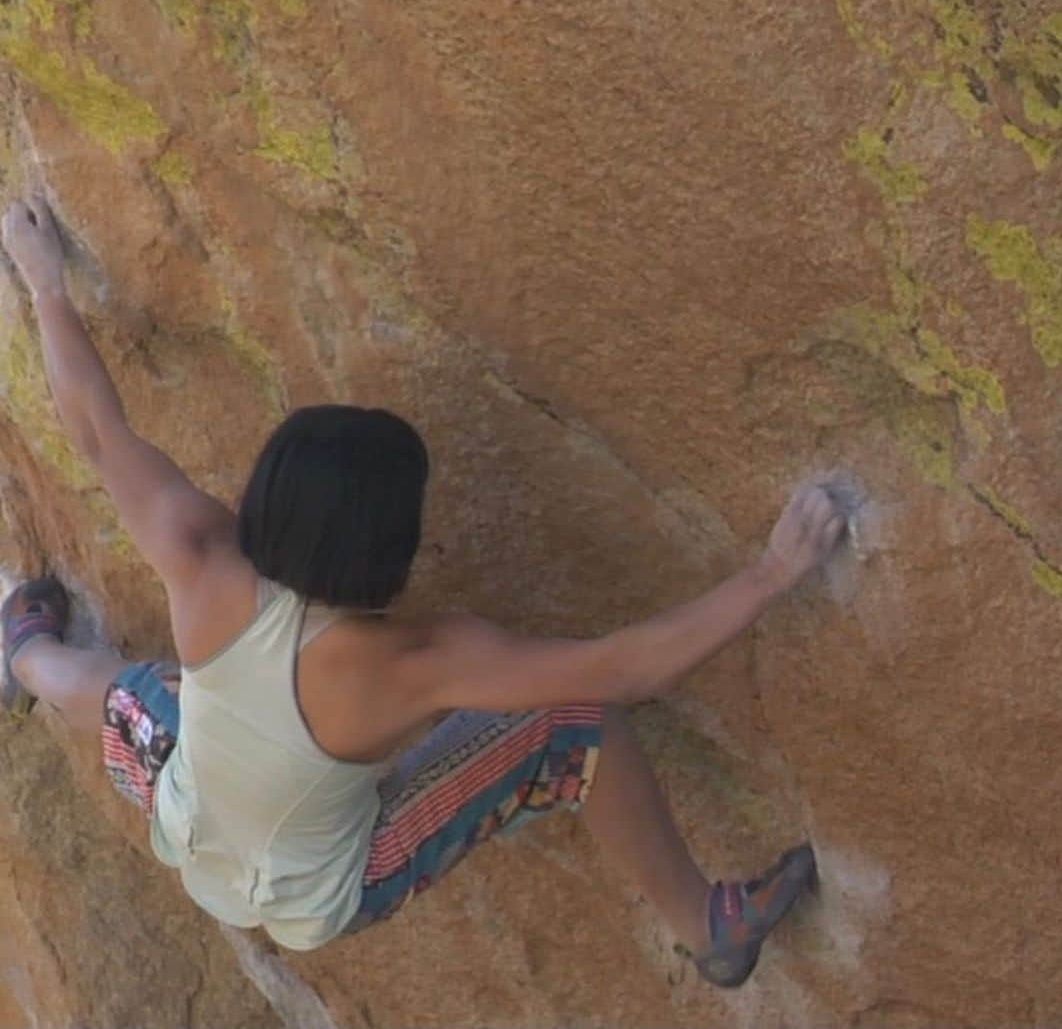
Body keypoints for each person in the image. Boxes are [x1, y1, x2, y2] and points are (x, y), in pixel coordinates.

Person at [0, 196, 845, 990]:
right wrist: (771, 572)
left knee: (130, 692)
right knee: (578, 728)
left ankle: (23, 650)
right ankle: (705, 924)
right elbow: (616, 672)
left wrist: (45, 283)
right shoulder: (414, 661)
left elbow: (97, 432)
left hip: (185, 812)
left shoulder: (199, 557)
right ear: (392, 553)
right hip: (317, 894)